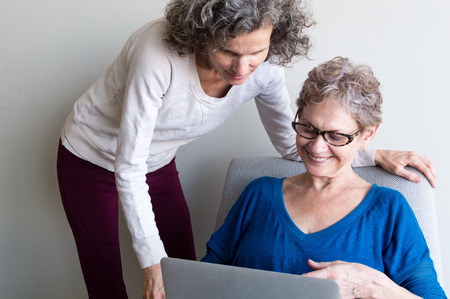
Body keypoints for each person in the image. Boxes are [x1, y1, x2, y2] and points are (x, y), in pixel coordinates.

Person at [56, 0, 436, 298]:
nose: (242, 69)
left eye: (256, 52)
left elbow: (297, 142)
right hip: (91, 156)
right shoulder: (157, 55)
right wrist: (152, 268)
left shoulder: (265, 69)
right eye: (228, 52)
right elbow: (129, 165)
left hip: (156, 161)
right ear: (201, 35)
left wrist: (374, 154)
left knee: (181, 271)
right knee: (113, 277)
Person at [202, 57, 446, 298]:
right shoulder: (258, 194)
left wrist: (373, 286)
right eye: (308, 128)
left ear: (367, 136)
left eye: (336, 136)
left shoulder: (389, 209)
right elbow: (204, 278)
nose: (317, 148)